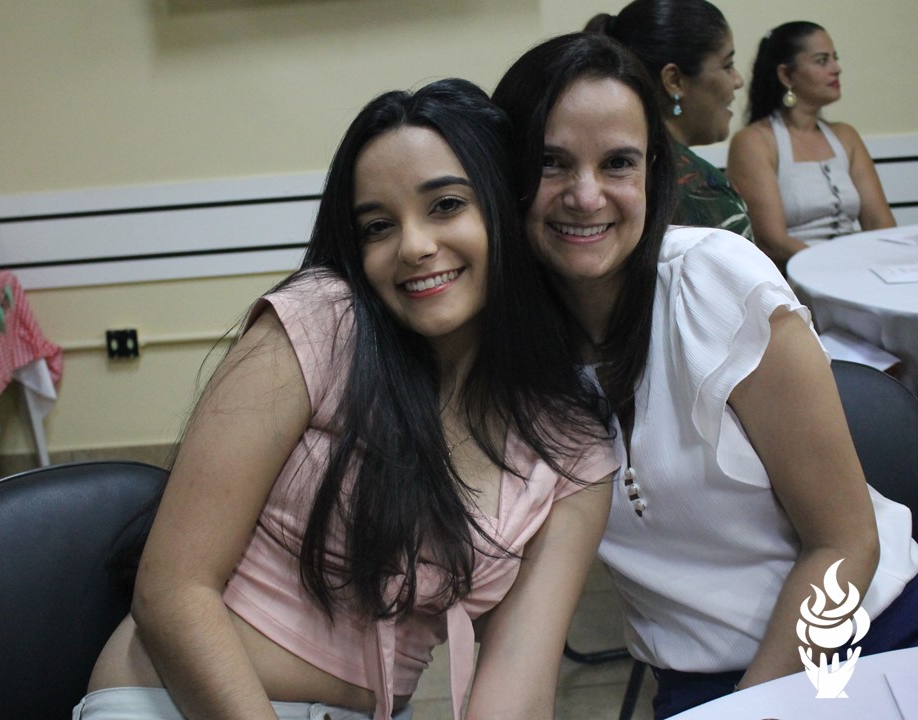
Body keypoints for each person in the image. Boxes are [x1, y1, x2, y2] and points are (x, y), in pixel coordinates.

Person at [75, 79, 618, 720]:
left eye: (445, 205)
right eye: (378, 226)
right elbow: (172, 592)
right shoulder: (320, 321)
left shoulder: (572, 447)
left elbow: (517, 695)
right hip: (173, 701)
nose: (413, 246)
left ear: (505, 208)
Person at [492, 32, 918, 719]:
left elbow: (845, 543)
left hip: (864, 639)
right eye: (550, 163)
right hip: (698, 685)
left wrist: (755, 708)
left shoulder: (713, 283)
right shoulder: (508, 354)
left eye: (618, 163)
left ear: (654, 172)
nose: (586, 195)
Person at [727, 21, 895, 269]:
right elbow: (772, 242)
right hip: (796, 277)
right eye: (822, 60)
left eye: (835, 58)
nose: (836, 68)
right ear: (786, 75)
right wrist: (837, 268)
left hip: (859, 269)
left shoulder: (846, 136)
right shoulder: (754, 142)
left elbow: (881, 224)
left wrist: (872, 268)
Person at [585, 0, 754, 241]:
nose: (737, 80)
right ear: (674, 81)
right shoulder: (702, 193)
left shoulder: (605, 163)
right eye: (728, 65)